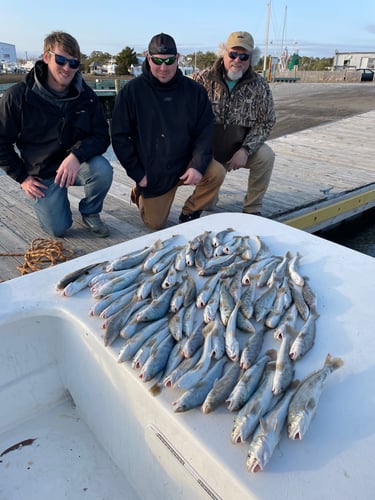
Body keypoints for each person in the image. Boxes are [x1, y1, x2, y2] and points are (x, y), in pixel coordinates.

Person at [0, 31, 113, 237]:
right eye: (61, 60)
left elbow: (102, 135)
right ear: (46, 57)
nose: (67, 68)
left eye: (74, 63)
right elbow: (1, 144)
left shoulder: (86, 95)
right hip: (42, 173)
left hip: (75, 165)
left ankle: (90, 212)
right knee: (58, 229)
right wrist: (22, 177)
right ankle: (54, 203)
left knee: (103, 169)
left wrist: (77, 156)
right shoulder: (17, 96)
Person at [111, 33, 226, 230]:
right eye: (157, 61)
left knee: (216, 172)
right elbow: (120, 137)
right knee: (155, 224)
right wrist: (138, 174)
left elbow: (204, 131)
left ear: (178, 59)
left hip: (185, 162)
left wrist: (197, 165)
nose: (163, 67)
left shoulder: (195, 91)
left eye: (169, 61)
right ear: (148, 58)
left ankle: (190, 211)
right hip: (154, 170)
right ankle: (139, 193)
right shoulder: (131, 92)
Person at [192, 31, 276, 215]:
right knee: (208, 206)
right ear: (223, 53)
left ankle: (253, 208)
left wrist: (245, 150)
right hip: (208, 152)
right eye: (233, 54)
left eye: (244, 56)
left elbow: (266, 122)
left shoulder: (260, 86)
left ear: (251, 58)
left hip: (239, 148)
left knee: (266, 156)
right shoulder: (200, 80)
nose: (238, 60)